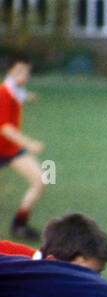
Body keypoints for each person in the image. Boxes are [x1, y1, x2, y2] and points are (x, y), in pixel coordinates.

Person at [0, 56, 46, 241]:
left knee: (41, 180)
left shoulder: (14, 90)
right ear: (9, 71)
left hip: (10, 149)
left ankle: (19, 224)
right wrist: (30, 143)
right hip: (7, 145)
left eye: (26, 72)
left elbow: (19, 96)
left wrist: (29, 97)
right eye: (19, 71)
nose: (24, 75)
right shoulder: (3, 92)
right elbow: (4, 127)